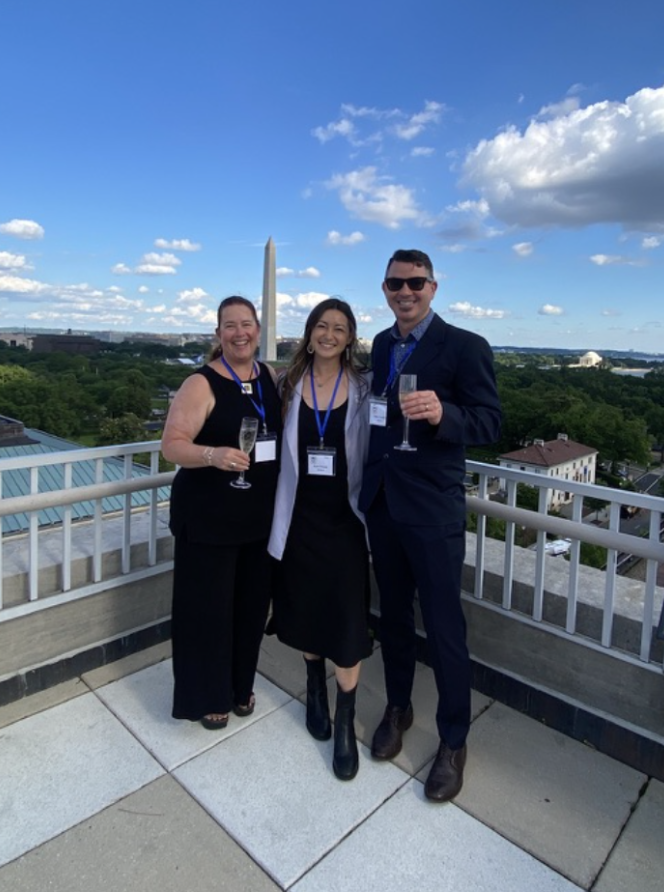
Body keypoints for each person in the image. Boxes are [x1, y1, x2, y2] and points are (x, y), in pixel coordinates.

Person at [359, 249, 501, 802]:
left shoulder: (466, 347)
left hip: (434, 511)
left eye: (415, 282)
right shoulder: (382, 345)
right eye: (395, 283)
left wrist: (444, 415)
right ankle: (398, 708)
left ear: (433, 287)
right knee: (392, 616)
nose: (405, 291)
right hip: (384, 504)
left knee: (444, 629)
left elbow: (490, 421)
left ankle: (453, 740)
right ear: (385, 288)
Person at [162, 296, 281, 730]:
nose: (239, 333)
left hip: (256, 520)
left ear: (258, 329)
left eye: (246, 324)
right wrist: (212, 454)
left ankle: (239, 686)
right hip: (209, 519)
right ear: (218, 334)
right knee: (207, 613)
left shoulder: (268, 375)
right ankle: (208, 695)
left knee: (250, 610)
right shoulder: (201, 382)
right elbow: (171, 445)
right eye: (229, 326)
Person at [268, 298, 372, 781]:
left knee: (348, 625)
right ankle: (315, 688)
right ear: (309, 334)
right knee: (307, 612)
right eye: (321, 327)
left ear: (350, 338)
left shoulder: (366, 389)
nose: (329, 335)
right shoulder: (286, 386)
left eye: (339, 328)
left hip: (347, 522)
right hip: (300, 521)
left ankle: (346, 719)